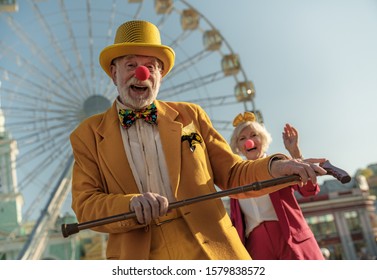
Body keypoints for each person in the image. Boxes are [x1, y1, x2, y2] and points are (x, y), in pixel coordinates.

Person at [69, 20, 326, 260]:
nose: (142, 73)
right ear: (114, 74)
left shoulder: (191, 116)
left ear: (161, 75)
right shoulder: (87, 136)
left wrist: (277, 167)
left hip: (212, 252)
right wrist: (130, 204)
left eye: (152, 66)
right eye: (130, 65)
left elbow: (233, 173)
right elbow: (86, 205)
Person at [229, 112, 325, 260]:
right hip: (256, 245)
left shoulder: (280, 165)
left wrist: (295, 153)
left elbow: (309, 190)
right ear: (239, 147)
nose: (249, 141)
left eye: (254, 135)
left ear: (263, 139)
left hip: (289, 237)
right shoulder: (236, 178)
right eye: (243, 138)